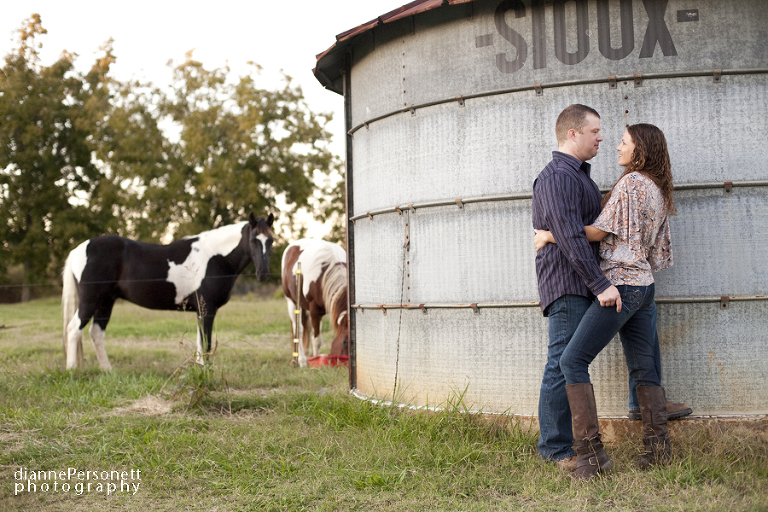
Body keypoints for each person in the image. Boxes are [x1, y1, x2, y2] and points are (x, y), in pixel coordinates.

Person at [531, 106, 690, 472]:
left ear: (640, 150)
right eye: (599, 132)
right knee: (642, 364)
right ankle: (655, 450)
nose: (611, 143)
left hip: (619, 282)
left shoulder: (631, 183)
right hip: (638, 283)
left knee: (569, 361)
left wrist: (549, 235)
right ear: (574, 133)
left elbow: (597, 231)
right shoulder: (654, 187)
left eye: (622, 140)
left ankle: (587, 455)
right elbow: (649, 246)